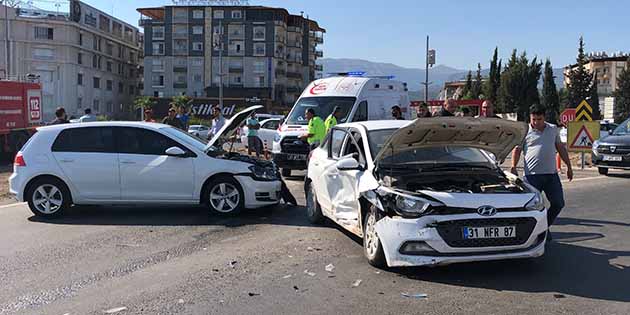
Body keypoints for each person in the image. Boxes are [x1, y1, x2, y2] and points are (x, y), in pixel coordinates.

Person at [511, 104, 573, 237]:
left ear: (544, 117)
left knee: (558, 203)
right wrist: (513, 167)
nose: (536, 122)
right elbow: (517, 150)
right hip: (532, 177)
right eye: (533, 119)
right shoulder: (525, 130)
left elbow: (560, 148)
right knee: (532, 207)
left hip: (551, 175)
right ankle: (534, 233)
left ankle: (544, 226)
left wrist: (569, 166)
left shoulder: (552, 129)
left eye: (539, 119)